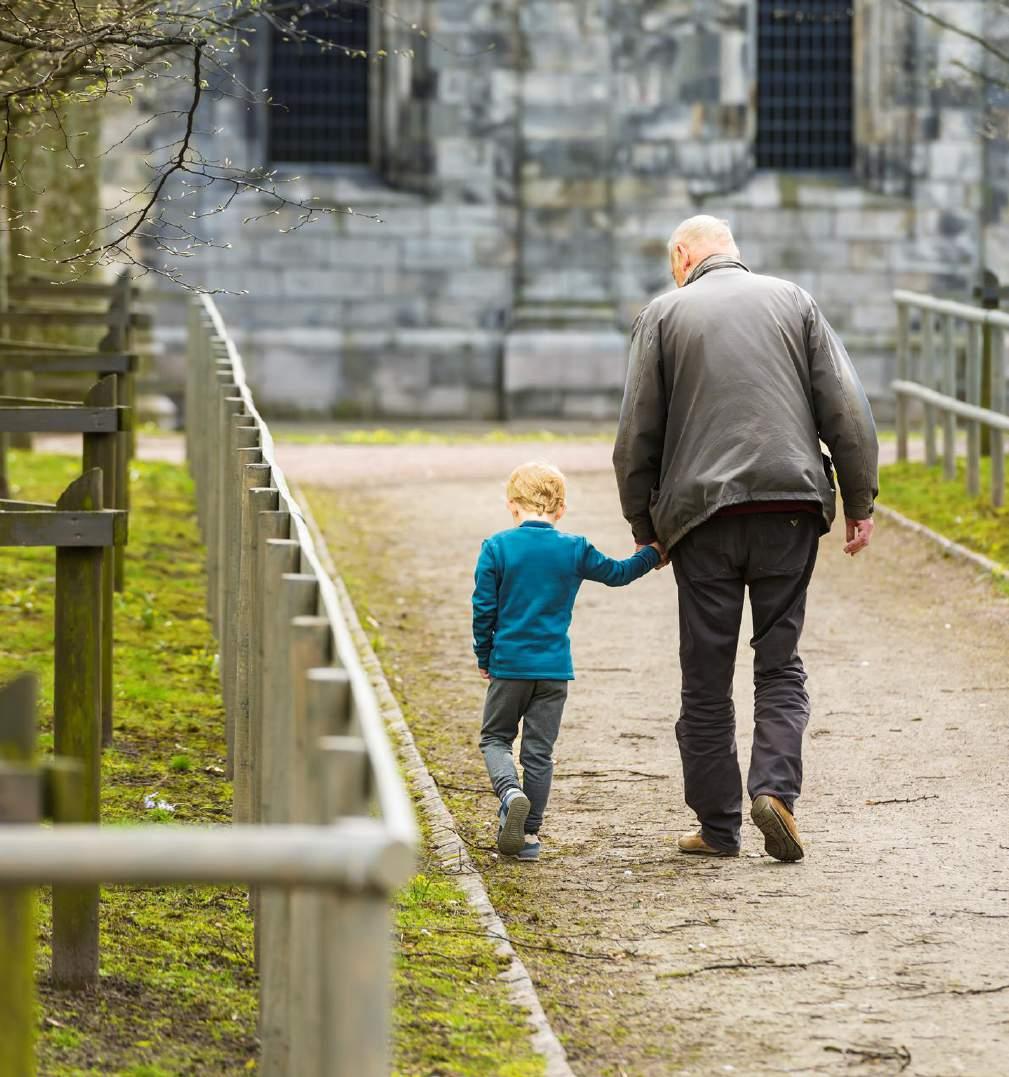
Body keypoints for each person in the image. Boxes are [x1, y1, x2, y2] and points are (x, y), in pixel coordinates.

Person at [612, 214, 879, 862]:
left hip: (701, 517)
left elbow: (635, 436)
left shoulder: (664, 315)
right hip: (789, 507)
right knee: (779, 661)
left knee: (704, 673)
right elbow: (843, 407)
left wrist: (646, 528)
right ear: (732, 252)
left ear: (682, 256)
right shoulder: (794, 301)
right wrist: (858, 499)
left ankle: (717, 826)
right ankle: (775, 793)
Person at [473, 461, 662, 861]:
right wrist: (652, 554)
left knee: (495, 738)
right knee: (539, 753)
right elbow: (618, 573)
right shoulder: (574, 548)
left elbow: (483, 609)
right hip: (554, 670)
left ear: (512, 505)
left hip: (509, 666)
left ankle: (509, 793)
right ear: (560, 511)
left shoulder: (497, 548)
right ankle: (527, 835)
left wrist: (484, 655)